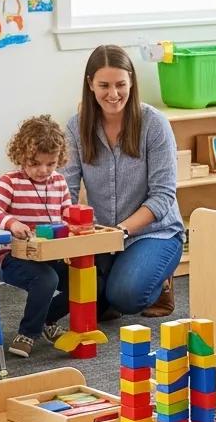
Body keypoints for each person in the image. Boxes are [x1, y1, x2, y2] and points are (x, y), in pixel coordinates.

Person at [61, 45, 183, 320]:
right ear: (90, 84)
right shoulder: (75, 127)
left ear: (131, 83)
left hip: (154, 233)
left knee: (125, 296)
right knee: (78, 297)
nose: (113, 94)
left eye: (120, 85)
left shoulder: (154, 124)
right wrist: (69, 232)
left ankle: (160, 280)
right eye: (104, 85)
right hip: (102, 237)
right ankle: (115, 278)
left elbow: (163, 197)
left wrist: (121, 231)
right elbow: (64, 191)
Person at [0, 115, 72, 358]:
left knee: (86, 280)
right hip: (14, 258)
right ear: (21, 155)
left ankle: (47, 320)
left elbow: (67, 214)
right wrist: (12, 222)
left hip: (51, 254)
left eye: (51, 163)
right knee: (47, 280)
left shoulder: (60, 183)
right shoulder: (10, 182)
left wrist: (75, 225)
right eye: (35, 163)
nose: (43, 170)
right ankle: (28, 333)